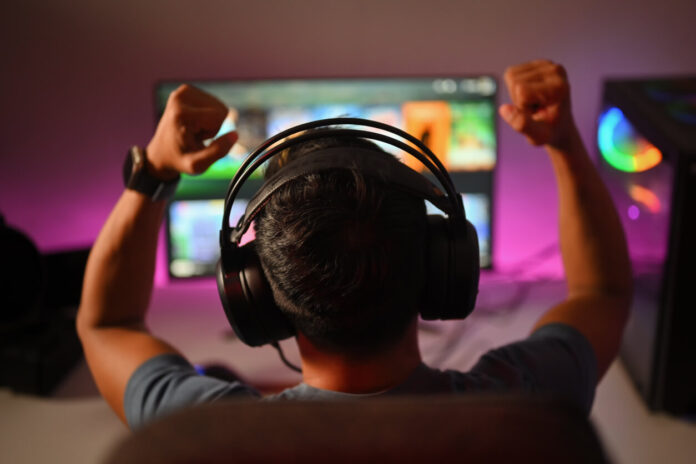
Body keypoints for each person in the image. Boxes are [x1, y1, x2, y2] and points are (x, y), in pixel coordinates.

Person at [77, 60, 632, 429]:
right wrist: (563, 144)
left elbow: (108, 325)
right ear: (444, 269)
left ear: (256, 296)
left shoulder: (202, 433)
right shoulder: (525, 405)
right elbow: (602, 293)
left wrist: (151, 172)